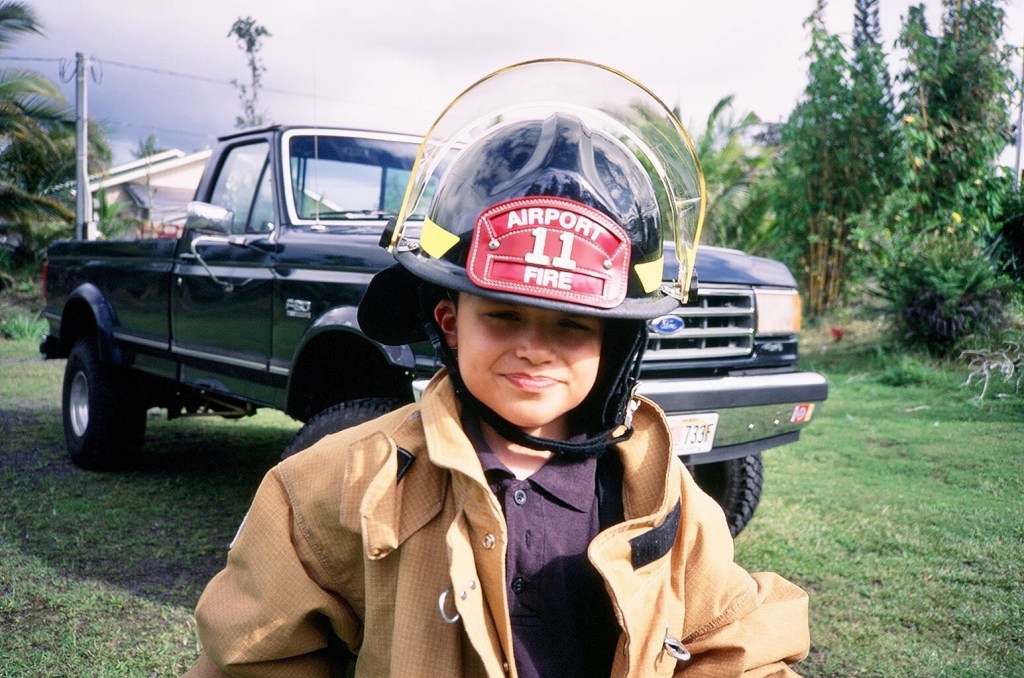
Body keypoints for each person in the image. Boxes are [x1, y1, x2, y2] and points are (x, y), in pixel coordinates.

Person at [185, 59, 809, 677]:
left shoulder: (661, 495)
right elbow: (252, 656)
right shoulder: (341, 484)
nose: (534, 348)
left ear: (614, 343)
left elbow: (735, 643)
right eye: (504, 316)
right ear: (450, 322)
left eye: (572, 324)